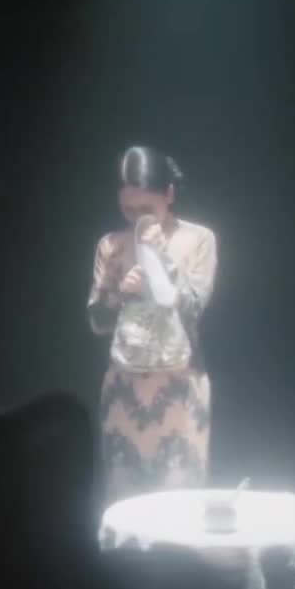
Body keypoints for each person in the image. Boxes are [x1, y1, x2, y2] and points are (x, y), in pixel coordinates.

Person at [88, 145, 219, 507]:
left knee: (180, 507)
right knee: (126, 505)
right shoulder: (111, 245)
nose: (136, 218)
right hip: (124, 388)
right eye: (128, 210)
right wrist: (120, 293)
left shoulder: (199, 240)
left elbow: (194, 310)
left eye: (146, 209)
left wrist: (164, 259)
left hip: (181, 385)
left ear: (169, 194)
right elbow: (97, 322)